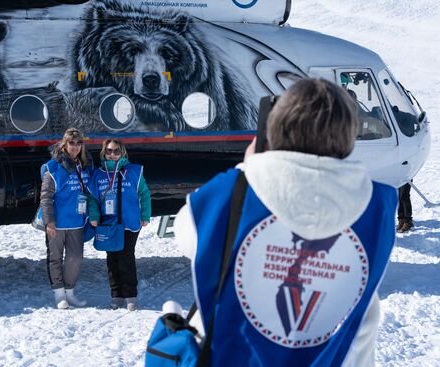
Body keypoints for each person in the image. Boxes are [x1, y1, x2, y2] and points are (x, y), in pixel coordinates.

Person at [173, 78, 397, 366]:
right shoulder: (377, 208)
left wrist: (250, 168)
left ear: (272, 129)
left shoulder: (228, 196)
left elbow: (187, 233)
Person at [88, 139, 151, 311]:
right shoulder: (98, 174)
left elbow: (144, 194)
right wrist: (93, 215)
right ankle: (116, 294)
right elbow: (92, 199)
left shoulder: (134, 171)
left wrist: (145, 215)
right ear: (103, 153)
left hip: (130, 223)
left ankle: (131, 295)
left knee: (126, 257)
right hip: (109, 224)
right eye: (109, 151)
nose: (112, 154)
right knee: (112, 259)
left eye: (116, 151)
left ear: (122, 152)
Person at [40, 128, 92, 309]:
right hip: (58, 223)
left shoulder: (84, 166)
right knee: (55, 258)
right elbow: (46, 196)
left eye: (79, 143)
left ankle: (70, 292)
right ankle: (59, 294)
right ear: (64, 144)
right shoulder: (54, 168)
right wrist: (49, 221)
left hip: (77, 221)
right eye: (72, 143)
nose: (75, 147)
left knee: (75, 258)